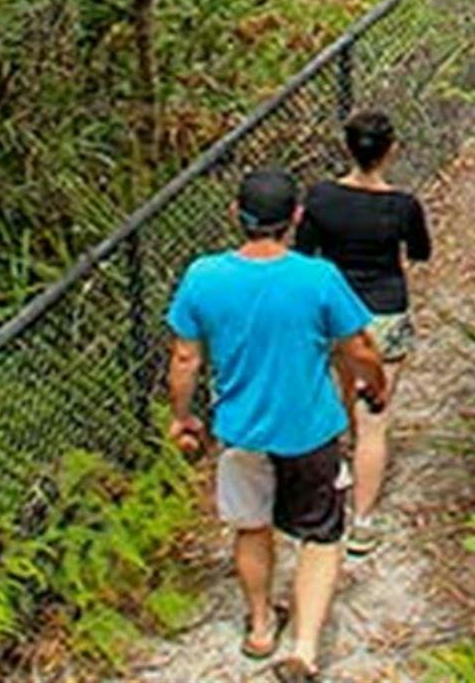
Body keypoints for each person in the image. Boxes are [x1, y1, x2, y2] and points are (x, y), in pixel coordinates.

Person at [166, 165, 388, 682]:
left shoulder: (203, 276)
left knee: (250, 524)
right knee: (321, 534)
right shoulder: (317, 277)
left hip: (240, 430)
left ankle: (261, 625)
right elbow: (357, 347)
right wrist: (374, 384)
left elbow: (184, 358)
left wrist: (183, 418)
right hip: (310, 429)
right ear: (296, 217)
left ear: (235, 216)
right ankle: (304, 650)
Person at [295, 110, 431, 556]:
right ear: (391, 149)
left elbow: (305, 252)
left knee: (346, 392)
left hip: (335, 310)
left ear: (347, 148)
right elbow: (421, 252)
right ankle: (364, 520)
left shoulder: (320, 198)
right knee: (377, 417)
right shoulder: (402, 205)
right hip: (385, 311)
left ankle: (342, 473)